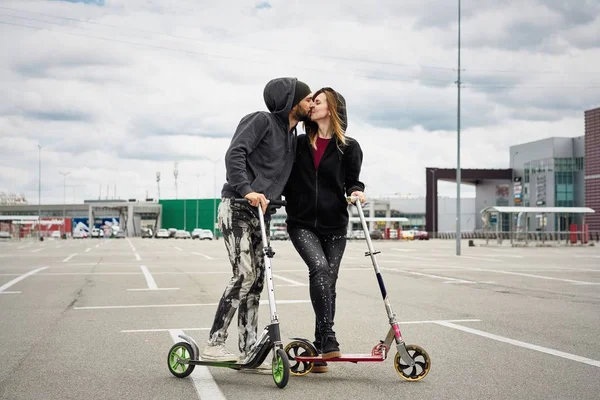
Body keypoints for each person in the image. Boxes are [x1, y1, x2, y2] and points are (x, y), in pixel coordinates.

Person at [200, 77, 313, 363]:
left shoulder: (291, 136)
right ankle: (214, 342)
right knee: (245, 274)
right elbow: (234, 153)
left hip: (261, 215)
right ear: (291, 100)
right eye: (308, 98)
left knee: (258, 281)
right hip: (237, 207)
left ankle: (248, 347)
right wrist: (247, 190)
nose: (311, 103)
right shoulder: (260, 121)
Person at [284, 87, 365, 373]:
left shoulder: (349, 147)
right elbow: (283, 176)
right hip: (302, 223)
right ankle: (329, 337)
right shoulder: (299, 144)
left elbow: (353, 182)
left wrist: (357, 192)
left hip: (334, 225)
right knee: (319, 268)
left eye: (317, 102)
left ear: (330, 109)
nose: (312, 106)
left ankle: (320, 349)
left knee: (329, 280)